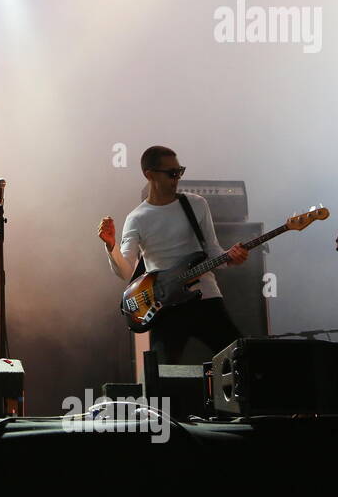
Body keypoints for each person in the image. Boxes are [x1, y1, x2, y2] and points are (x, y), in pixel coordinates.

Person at [99, 145, 247, 364]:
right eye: (171, 173)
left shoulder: (196, 204)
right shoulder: (137, 218)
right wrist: (111, 247)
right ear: (149, 175)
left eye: (179, 171)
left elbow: (213, 252)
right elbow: (127, 272)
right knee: (162, 376)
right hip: (165, 307)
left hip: (206, 298)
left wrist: (232, 258)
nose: (177, 178)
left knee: (242, 360)